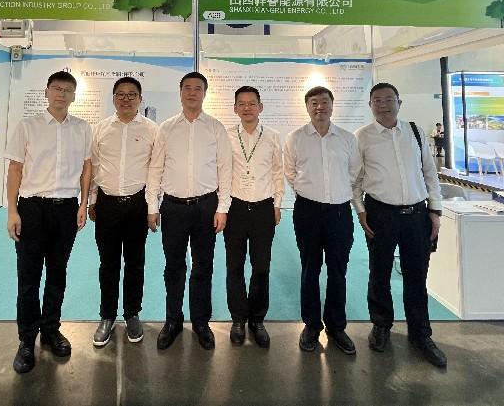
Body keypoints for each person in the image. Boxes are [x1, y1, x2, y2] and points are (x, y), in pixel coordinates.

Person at [352, 82, 447, 368]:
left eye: (389, 99)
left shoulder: (415, 132)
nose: (383, 105)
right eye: (377, 100)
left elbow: (429, 173)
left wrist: (435, 211)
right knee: (379, 273)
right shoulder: (362, 137)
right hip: (380, 214)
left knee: (416, 276)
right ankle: (381, 326)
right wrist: (361, 211)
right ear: (370, 105)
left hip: (417, 215)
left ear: (399, 103)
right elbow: (355, 180)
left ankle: (421, 334)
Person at [5, 71, 92, 374]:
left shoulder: (82, 128)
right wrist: (12, 211)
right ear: (46, 92)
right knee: (28, 277)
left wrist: (83, 204)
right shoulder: (27, 126)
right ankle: (26, 339)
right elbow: (15, 169)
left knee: (57, 273)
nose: (61, 94)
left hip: (66, 209)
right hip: (32, 208)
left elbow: (87, 168)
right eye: (56, 88)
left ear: (74, 96)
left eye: (67, 90)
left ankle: (51, 330)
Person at [146, 71, 232, 351]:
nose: (192, 92)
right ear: (180, 92)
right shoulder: (167, 128)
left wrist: (223, 208)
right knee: (174, 266)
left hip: (206, 206)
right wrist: (152, 206)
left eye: (197, 88)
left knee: (203, 266)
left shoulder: (216, 128)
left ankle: (201, 322)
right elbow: (156, 168)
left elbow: (225, 169)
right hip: (173, 207)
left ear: (204, 93)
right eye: (187, 88)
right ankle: (172, 321)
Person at [284, 86, 361, 354]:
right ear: (307, 107)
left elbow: (354, 172)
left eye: (324, 102)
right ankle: (311, 325)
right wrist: (311, 192)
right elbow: (290, 173)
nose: (320, 107)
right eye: (314, 102)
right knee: (310, 268)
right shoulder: (295, 138)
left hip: (340, 212)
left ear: (332, 105)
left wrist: (336, 191)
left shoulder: (347, 139)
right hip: (308, 212)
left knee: (338, 270)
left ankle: (336, 327)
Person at [88, 76, 157, 348]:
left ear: (140, 99)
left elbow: (155, 171)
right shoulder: (100, 129)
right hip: (107, 205)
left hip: (137, 205)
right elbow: (94, 168)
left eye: (131, 94)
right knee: (108, 263)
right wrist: (92, 200)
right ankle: (107, 316)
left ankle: (132, 314)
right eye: (120, 94)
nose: (126, 99)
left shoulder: (152, 130)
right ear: (113, 98)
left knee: (135, 262)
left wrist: (153, 207)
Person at [225, 86, 284, 348]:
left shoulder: (272, 136)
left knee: (261, 267)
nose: (247, 108)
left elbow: (278, 172)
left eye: (252, 103)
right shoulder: (227, 136)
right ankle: (238, 319)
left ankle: (257, 320)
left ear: (260, 107)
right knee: (234, 266)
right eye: (242, 103)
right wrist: (222, 207)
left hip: (263, 208)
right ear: (235, 108)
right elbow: (222, 173)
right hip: (235, 208)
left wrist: (277, 204)